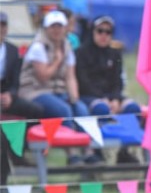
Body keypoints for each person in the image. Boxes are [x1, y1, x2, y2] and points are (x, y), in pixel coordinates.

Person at [17, 10, 97, 165]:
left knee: (80, 108)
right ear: (46, 28)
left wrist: (74, 96)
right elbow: (43, 76)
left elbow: (70, 76)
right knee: (63, 110)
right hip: (34, 91)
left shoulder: (67, 46)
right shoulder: (38, 47)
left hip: (57, 91)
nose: (57, 30)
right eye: (53, 27)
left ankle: (89, 151)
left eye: (59, 26)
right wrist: (57, 60)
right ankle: (71, 153)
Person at [75, 15, 142, 164]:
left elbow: (118, 81)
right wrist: (104, 99)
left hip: (111, 96)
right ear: (92, 31)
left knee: (132, 107)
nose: (104, 35)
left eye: (108, 32)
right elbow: (83, 82)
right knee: (101, 108)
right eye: (100, 31)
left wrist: (116, 98)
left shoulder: (115, 54)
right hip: (88, 95)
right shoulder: (80, 53)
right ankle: (98, 150)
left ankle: (125, 149)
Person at [1, 11, 44, 185]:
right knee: (2, 134)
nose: (0, 29)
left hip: (6, 96)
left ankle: (19, 150)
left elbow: (16, 80)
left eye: (3, 25)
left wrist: (10, 95)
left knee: (37, 111)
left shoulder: (13, 50)